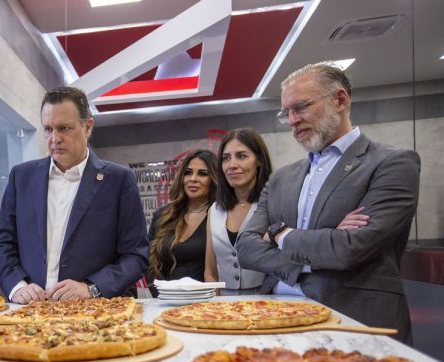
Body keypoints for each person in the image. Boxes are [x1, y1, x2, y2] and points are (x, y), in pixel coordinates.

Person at [236, 62, 420, 343]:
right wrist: (320, 250)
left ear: (340, 100)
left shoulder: (392, 163)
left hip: (354, 321)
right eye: (286, 113)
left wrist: (279, 234)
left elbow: (351, 249)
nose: (293, 120)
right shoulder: (281, 178)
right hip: (275, 317)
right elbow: (246, 248)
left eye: (301, 107)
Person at [0, 86, 148, 303]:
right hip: (31, 311)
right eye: (48, 129)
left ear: (88, 127)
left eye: (64, 128)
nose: (54, 138)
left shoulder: (118, 180)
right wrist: (17, 286)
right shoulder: (21, 177)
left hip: (96, 311)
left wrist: (92, 288)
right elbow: (3, 244)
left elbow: (136, 256)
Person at [205, 128, 272, 294]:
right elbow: (210, 272)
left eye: (241, 156)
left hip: (268, 299)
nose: (232, 165)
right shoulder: (215, 210)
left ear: (259, 160)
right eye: (226, 158)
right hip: (224, 302)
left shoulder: (273, 205)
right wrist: (217, 303)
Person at [148, 149, 217, 288]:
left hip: (206, 298)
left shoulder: (220, 216)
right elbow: (148, 263)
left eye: (203, 174)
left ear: (214, 179)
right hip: (164, 298)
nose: (193, 179)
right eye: (188, 172)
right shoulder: (162, 215)